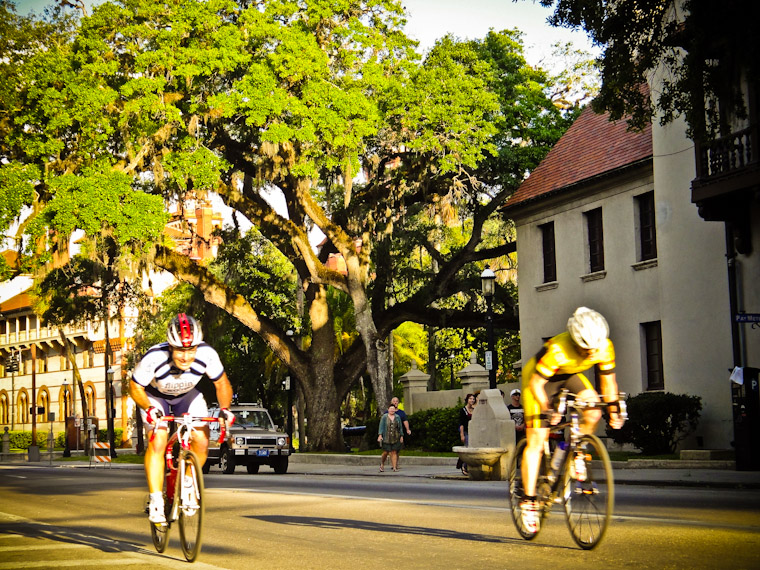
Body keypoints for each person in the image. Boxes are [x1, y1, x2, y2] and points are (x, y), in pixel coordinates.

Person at [519, 307, 625, 534]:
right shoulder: (558, 349)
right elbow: (537, 385)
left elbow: (608, 382)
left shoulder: (604, 347)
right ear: (576, 342)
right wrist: (548, 410)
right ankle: (528, 502)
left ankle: (576, 450)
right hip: (539, 381)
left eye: (594, 350)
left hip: (568, 376)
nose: (591, 354)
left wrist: (614, 409)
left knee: (594, 410)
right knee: (537, 441)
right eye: (586, 350)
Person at [131, 313, 234, 524]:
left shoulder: (207, 354)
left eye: (191, 349)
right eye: (180, 350)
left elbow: (222, 384)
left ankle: (188, 481)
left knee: (202, 441)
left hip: (187, 396)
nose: (186, 357)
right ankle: (156, 499)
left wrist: (224, 409)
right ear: (170, 347)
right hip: (155, 397)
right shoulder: (154, 357)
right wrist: (148, 408)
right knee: (158, 441)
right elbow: (135, 387)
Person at [377, 404, 404, 472]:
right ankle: (382, 464)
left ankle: (394, 467)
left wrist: (401, 436)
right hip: (386, 437)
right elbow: (381, 426)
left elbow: (400, 427)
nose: (392, 410)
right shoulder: (384, 417)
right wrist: (380, 435)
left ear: (395, 410)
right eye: (390, 408)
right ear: (388, 409)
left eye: (393, 409)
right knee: (386, 452)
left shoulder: (397, 417)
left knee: (394, 452)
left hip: (395, 437)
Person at [456, 393, 477, 472]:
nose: (472, 400)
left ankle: (462, 463)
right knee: (468, 448)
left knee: (472, 449)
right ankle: (464, 466)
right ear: (467, 400)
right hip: (466, 431)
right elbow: (461, 423)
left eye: (473, 399)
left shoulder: (475, 410)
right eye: (470, 399)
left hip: (474, 432)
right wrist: (462, 435)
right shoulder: (463, 410)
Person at [389, 396, 411, 468]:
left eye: (396, 401)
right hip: (389, 434)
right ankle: (393, 464)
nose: (395, 402)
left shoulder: (401, 413)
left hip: (398, 434)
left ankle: (395, 463)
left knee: (397, 449)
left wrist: (407, 429)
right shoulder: (387, 413)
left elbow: (405, 421)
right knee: (391, 450)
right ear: (391, 403)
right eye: (394, 401)